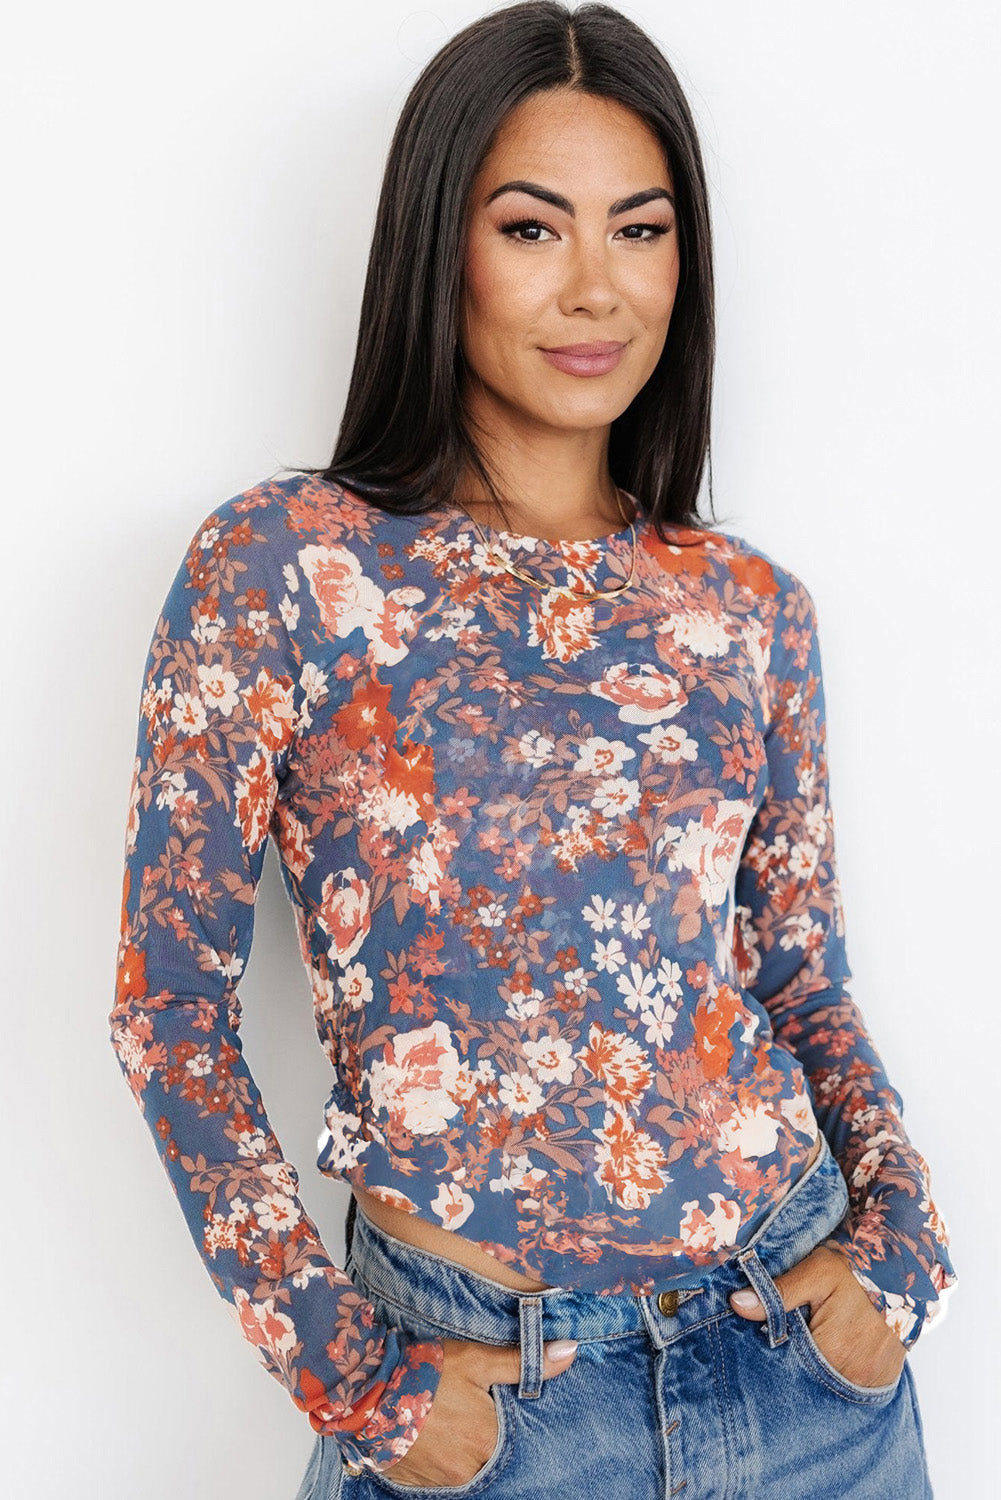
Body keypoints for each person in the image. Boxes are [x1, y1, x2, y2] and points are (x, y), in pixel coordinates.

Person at [108, 4, 957, 1496]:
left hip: (803, 1375)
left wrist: (901, 1251)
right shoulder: (285, 567)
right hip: (488, 1403)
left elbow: (799, 979)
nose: (593, 287)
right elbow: (166, 1007)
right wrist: (355, 1382)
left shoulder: (746, 607)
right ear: (439, 244)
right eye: (530, 227)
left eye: (639, 230)